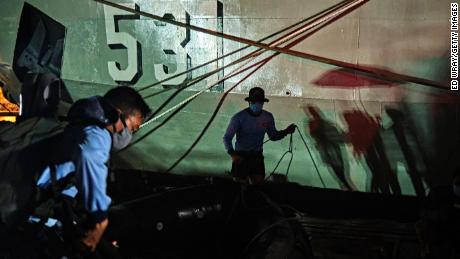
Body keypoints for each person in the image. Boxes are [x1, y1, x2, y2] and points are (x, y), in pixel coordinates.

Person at [27, 86, 150, 257]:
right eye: (132, 128)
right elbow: (89, 155)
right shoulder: (98, 136)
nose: (128, 135)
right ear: (117, 115)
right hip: (24, 209)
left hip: (34, 207)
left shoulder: (78, 125)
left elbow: (65, 188)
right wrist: (100, 221)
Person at [223, 87, 296, 184]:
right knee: (239, 186)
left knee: (258, 185)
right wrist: (233, 154)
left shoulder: (268, 117)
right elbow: (227, 138)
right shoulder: (239, 118)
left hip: (257, 156)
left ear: (263, 103)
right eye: (254, 102)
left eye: (260, 102)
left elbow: (273, 136)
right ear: (249, 102)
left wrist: (286, 131)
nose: (257, 104)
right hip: (241, 156)